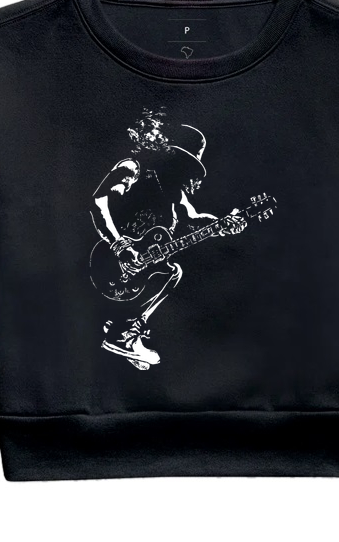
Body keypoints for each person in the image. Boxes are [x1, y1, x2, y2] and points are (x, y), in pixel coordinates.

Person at [90, 107, 246, 369]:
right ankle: (121, 334)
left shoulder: (174, 191)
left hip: (136, 269)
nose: (184, 170)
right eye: (181, 159)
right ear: (165, 151)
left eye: (189, 165)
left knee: (172, 272)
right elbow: (99, 201)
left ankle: (124, 328)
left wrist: (222, 225)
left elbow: (193, 218)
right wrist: (119, 245)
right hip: (107, 259)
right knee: (173, 273)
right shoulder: (133, 167)